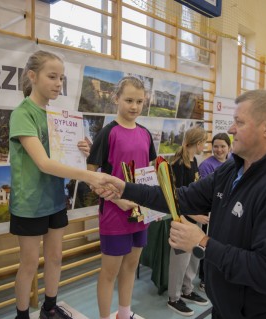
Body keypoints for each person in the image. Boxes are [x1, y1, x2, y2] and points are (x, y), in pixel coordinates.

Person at [97, 89, 266, 319]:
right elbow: (181, 197)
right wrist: (125, 188)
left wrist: (202, 243)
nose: (231, 130)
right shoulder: (232, 169)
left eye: (239, 123)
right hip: (223, 308)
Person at [10, 50, 109, 319]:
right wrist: (88, 176)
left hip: (54, 198)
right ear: (32, 76)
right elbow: (43, 162)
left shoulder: (56, 116)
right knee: (29, 264)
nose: (58, 83)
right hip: (29, 202)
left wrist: (81, 151)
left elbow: (62, 157)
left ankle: (49, 307)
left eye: (61, 78)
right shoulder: (22, 114)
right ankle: (22, 315)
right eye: (52, 76)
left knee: (55, 257)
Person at [86, 76, 156, 319]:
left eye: (139, 101)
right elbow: (91, 176)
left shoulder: (146, 134)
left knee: (131, 266)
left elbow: (148, 173)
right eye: (128, 100)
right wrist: (117, 199)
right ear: (116, 99)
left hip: (140, 213)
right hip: (115, 214)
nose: (134, 106)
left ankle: (124, 313)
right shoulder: (108, 133)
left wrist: (149, 204)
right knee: (109, 272)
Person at [166, 125, 209, 317]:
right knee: (180, 261)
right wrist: (195, 216)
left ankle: (187, 290)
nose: (205, 146)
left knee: (194, 258)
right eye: (204, 142)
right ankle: (174, 298)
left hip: (196, 219)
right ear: (198, 143)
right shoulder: (178, 164)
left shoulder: (194, 161)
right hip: (183, 220)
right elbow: (177, 200)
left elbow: (195, 193)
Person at [196, 132, 233, 293]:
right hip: (211, 212)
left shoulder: (233, 162)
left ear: (229, 148)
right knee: (208, 244)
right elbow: (206, 192)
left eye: (222, 146)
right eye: (215, 146)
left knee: (223, 244)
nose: (219, 150)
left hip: (228, 211)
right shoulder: (206, 166)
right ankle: (205, 278)